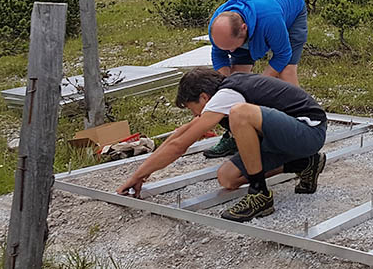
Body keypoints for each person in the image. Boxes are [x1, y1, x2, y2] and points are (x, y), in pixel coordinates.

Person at [117, 68, 327, 222]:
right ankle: (304, 164)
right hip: (287, 139)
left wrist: (138, 177)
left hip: (309, 131)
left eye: (194, 109)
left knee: (239, 114)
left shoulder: (227, 95)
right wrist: (138, 175)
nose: (196, 115)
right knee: (227, 177)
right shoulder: (222, 94)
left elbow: (180, 145)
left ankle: (260, 194)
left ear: (204, 97)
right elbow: (179, 136)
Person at [203, 0, 308, 159]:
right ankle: (234, 135)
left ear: (243, 29)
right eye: (227, 48)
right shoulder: (219, 25)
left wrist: (257, 86)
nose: (230, 52)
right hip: (255, 20)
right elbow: (219, 56)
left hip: (291, 10)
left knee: (286, 73)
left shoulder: (270, 19)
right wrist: (228, 85)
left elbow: (282, 55)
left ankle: (303, 128)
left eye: (232, 47)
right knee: (237, 76)